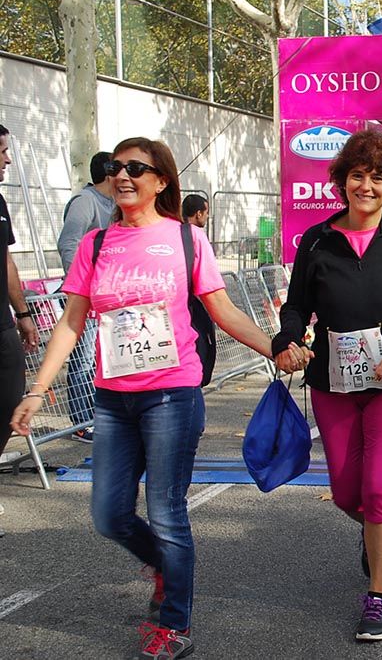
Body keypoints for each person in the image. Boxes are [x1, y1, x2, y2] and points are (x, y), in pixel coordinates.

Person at [10, 136, 277, 660]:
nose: (125, 175)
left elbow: (222, 310)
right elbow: (70, 322)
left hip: (173, 394)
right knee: (109, 516)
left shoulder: (185, 240)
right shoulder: (95, 244)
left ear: (161, 181)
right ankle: (164, 564)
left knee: (167, 510)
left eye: (137, 167)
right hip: (113, 399)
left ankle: (174, 624)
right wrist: (38, 390)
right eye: (117, 167)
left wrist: (277, 348)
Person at [271, 129, 382, 643]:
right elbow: (296, 305)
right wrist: (287, 338)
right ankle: (374, 532)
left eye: (378, 178)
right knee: (347, 492)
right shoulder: (318, 241)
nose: (366, 185)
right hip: (331, 382)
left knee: (376, 489)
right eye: (358, 176)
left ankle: (377, 596)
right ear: (342, 181)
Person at [57, 150, 115, 444]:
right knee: (83, 360)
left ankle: (100, 416)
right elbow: (68, 244)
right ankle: (81, 422)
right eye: (119, 167)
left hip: (108, 298)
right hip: (86, 298)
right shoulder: (85, 202)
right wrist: (82, 290)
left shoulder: (116, 203)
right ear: (108, 172)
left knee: (102, 359)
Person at [0, 123, 41, 536]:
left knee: (8, 406)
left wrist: (24, 314)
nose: (7, 159)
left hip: (2, 326)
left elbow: (8, 263)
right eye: (1, 151)